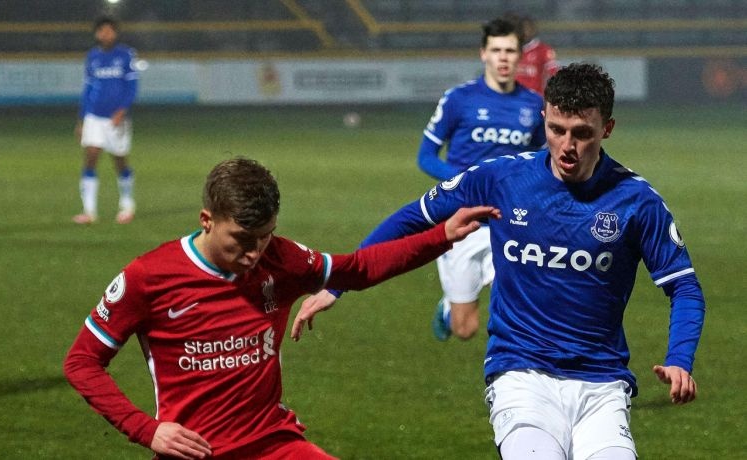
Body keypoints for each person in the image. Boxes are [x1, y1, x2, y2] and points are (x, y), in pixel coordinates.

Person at [293, 63, 705, 459]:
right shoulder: (501, 178)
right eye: (556, 130)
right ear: (544, 118)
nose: (567, 146)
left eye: (582, 133)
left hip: (602, 384)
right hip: (520, 375)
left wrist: (679, 360)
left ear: (607, 129)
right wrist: (339, 283)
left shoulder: (637, 201)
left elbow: (684, 286)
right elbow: (413, 218)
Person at [63, 157, 499, 458]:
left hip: (274, 444)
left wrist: (441, 236)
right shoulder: (149, 277)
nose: (255, 252)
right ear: (207, 220)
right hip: (198, 453)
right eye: (242, 239)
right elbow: (82, 362)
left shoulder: (281, 259)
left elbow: (358, 269)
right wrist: (147, 429)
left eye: (266, 235)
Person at [416, 17, 546, 342]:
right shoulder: (459, 99)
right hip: (462, 221)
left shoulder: (534, 106)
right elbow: (426, 156)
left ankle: (516, 367)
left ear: (520, 56)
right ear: (483, 53)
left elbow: (541, 161)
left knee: (520, 306)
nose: (503, 58)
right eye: (496, 50)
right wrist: (467, 182)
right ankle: (449, 308)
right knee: (465, 329)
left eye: (510, 51)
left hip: (510, 222)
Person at [74, 16, 139, 225]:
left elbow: (132, 87)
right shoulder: (92, 57)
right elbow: (87, 89)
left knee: (119, 160)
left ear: (115, 33)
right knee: (91, 156)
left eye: (109, 30)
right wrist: (82, 119)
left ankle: (127, 204)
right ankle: (89, 211)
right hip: (94, 116)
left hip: (116, 119)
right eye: (102, 31)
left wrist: (122, 110)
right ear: (97, 34)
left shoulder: (126, 55)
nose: (105, 34)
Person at [508, 13, 559, 96]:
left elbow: (554, 74)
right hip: (513, 98)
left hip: (535, 99)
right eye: (522, 28)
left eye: (528, 28)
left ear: (533, 30)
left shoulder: (544, 50)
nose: (525, 32)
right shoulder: (510, 50)